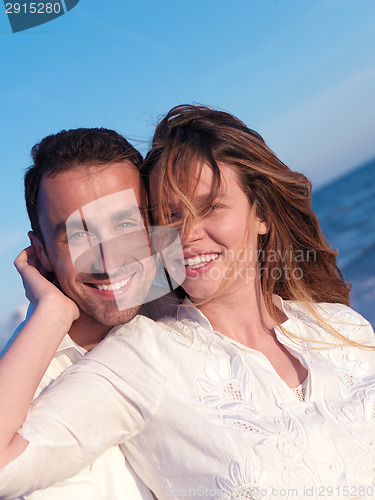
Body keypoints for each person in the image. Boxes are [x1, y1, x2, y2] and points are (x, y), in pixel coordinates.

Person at [1, 105, 374, 500]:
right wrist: (49, 315)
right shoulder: (143, 355)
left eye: (211, 206)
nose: (190, 234)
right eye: (172, 215)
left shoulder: (343, 326)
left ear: (260, 214)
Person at [0, 127, 157, 499]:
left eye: (125, 224)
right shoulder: (25, 398)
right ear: (40, 254)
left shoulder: (183, 313)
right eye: (77, 235)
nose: (109, 260)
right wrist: (52, 312)